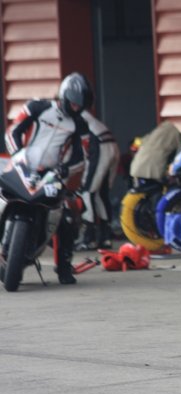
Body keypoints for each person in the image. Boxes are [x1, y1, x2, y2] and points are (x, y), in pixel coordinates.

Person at [4, 72, 97, 284]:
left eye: (80, 106)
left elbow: (81, 156)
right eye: (73, 104)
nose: (76, 108)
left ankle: (64, 267)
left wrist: (66, 169)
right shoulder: (37, 107)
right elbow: (13, 131)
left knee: (66, 216)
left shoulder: (80, 125)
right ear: (64, 96)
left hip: (51, 174)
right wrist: (17, 153)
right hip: (22, 164)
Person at [75, 111, 120, 251]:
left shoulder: (71, 116)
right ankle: (105, 238)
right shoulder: (85, 115)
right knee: (101, 194)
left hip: (99, 146)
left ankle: (90, 239)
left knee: (87, 192)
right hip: (110, 145)